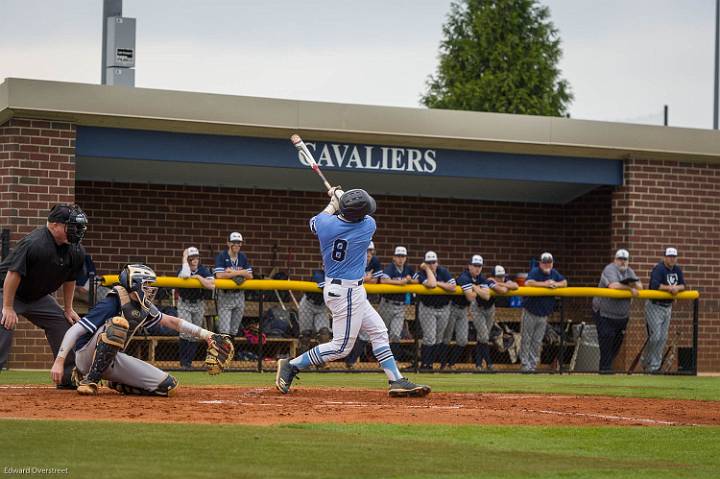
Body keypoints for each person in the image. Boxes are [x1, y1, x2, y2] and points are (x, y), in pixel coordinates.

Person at [275, 188, 430, 397]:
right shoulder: (367, 227)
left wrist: (334, 201)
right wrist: (340, 197)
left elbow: (316, 220)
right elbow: (357, 215)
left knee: (378, 331)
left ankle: (396, 380)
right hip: (345, 293)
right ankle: (291, 365)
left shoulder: (325, 225)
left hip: (345, 289)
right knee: (340, 348)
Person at [50, 264, 231, 396]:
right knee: (118, 324)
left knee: (167, 386)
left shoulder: (142, 307)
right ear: (134, 286)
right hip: (85, 356)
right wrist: (59, 361)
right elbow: (74, 331)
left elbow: (172, 322)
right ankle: (90, 380)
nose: (150, 290)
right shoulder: (112, 301)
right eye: (146, 286)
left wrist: (207, 335)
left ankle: (116, 382)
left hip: (111, 360)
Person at [0, 204, 88, 387]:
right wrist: (7, 307)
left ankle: (67, 378)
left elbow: (70, 278)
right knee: (4, 324)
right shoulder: (35, 243)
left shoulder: (76, 249)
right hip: (7, 291)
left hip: (37, 297)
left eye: (78, 226)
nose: (76, 231)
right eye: (70, 226)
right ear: (54, 225)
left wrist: (68, 308)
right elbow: (13, 274)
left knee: (63, 325)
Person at [592, 249, 642, 374]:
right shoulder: (610, 269)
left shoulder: (630, 271)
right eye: (620, 259)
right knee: (606, 343)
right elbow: (613, 286)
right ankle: (605, 371)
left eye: (625, 259)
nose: (623, 262)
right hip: (604, 314)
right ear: (615, 260)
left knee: (616, 345)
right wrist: (630, 288)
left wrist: (631, 286)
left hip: (621, 317)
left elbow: (640, 286)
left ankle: (607, 369)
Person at [519, 252, 567, 373]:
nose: (547, 265)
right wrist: (545, 285)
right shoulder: (535, 271)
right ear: (540, 263)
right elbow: (528, 283)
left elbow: (565, 282)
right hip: (530, 311)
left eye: (549, 262)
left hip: (543, 314)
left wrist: (555, 284)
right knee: (526, 339)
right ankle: (525, 365)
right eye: (544, 262)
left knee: (537, 341)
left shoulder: (554, 273)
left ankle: (533, 366)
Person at [643, 247, 686, 373]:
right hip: (654, 306)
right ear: (665, 257)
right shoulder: (659, 269)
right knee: (655, 337)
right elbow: (655, 285)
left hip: (667, 307)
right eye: (670, 256)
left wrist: (677, 288)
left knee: (662, 338)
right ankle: (646, 362)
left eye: (674, 257)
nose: (672, 259)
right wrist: (670, 288)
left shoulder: (677, 270)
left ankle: (654, 367)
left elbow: (683, 285)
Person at [415, 251, 457, 371]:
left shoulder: (443, 271)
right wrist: (427, 270)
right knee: (429, 337)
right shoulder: (421, 273)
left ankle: (431, 364)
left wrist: (439, 283)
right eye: (429, 263)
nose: (432, 265)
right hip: (428, 308)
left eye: (433, 262)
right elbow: (432, 284)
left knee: (438, 338)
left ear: (437, 262)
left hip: (444, 309)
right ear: (425, 263)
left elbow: (453, 286)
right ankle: (425, 364)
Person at [344, 241, 383, 368]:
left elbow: (376, 281)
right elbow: (351, 279)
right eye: (366, 251)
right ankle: (347, 359)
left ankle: (350, 361)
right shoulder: (354, 260)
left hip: (368, 301)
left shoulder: (375, 262)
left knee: (367, 334)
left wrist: (364, 279)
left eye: (370, 251)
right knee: (348, 332)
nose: (368, 254)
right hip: (351, 299)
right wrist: (366, 278)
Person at [473, 265, 518, 371]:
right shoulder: (488, 281)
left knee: (483, 337)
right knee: (483, 336)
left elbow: (515, 285)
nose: (502, 278)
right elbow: (502, 291)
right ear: (493, 276)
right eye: (498, 276)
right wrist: (503, 285)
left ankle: (478, 365)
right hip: (478, 308)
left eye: (503, 276)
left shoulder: (502, 280)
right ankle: (489, 363)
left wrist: (501, 283)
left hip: (490, 309)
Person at [177, 247, 215, 369]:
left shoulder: (202, 270)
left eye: (196, 258)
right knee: (185, 332)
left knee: (195, 334)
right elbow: (185, 275)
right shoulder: (183, 269)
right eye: (192, 258)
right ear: (188, 260)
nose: (195, 260)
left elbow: (211, 285)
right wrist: (184, 258)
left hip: (198, 304)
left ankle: (189, 362)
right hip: (184, 304)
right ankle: (184, 363)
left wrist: (198, 277)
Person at [378, 246, 415, 359]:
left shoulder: (408, 269)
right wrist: (402, 282)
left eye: (403, 256)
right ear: (394, 257)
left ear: (405, 258)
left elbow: (418, 280)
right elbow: (383, 280)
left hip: (401, 307)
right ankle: (381, 359)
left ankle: (393, 360)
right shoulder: (390, 268)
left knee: (395, 335)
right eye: (398, 256)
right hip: (387, 305)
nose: (400, 259)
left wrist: (410, 280)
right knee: (383, 334)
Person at [214, 232, 253, 336]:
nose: (237, 245)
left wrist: (233, 273)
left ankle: (231, 352)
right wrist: (242, 273)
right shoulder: (222, 256)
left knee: (234, 330)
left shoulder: (243, 257)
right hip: (225, 295)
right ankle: (223, 352)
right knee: (224, 330)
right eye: (234, 242)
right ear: (228, 243)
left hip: (239, 295)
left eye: (239, 243)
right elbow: (219, 275)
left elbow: (250, 275)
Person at [297, 267, 331, 355]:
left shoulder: (338, 276)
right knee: (305, 335)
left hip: (322, 306)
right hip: (308, 304)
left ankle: (321, 361)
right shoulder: (318, 274)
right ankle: (302, 361)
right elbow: (326, 288)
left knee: (324, 333)